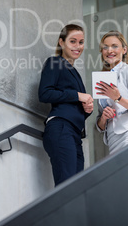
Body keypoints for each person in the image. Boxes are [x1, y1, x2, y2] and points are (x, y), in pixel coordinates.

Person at [38, 24, 93, 186]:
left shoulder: (74, 72)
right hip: (61, 128)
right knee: (66, 186)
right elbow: (45, 94)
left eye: (81, 42)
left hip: (75, 135)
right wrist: (77, 95)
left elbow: (73, 105)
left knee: (74, 189)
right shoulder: (55, 63)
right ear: (61, 42)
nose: (78, 46)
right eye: (73, 41)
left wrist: (87, 110)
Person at [95, 30, 128, 154]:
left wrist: (118, 98)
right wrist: (103, 118)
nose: (109, 51)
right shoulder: (101, 79)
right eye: (105, 47)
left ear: (124, 50)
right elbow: (99, 125)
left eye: (115, 46)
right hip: (113, 140)